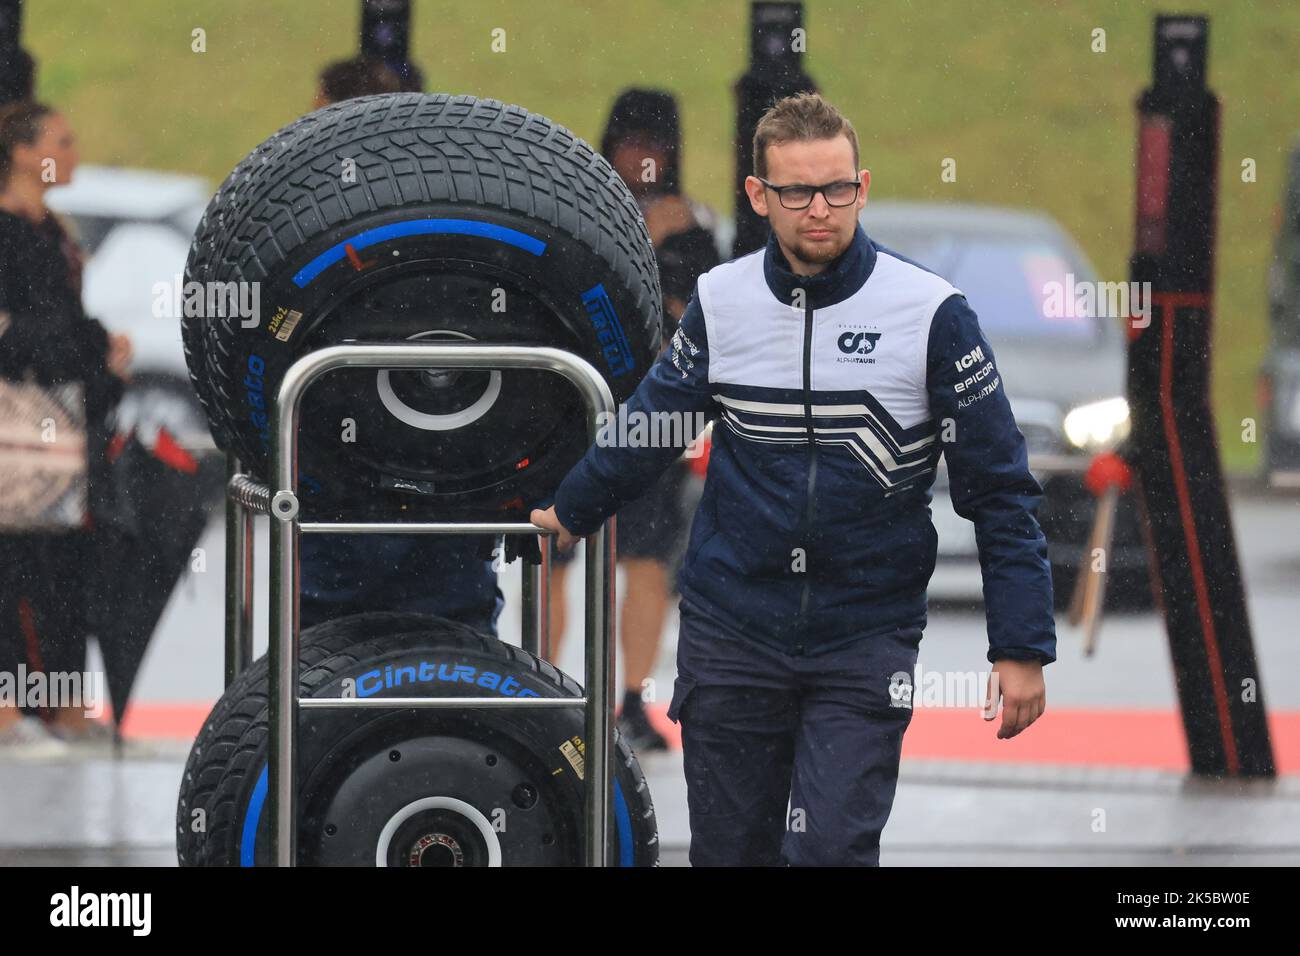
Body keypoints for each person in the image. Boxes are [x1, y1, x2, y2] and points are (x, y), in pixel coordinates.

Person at [532, 92, 1056, 866]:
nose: (821, 208)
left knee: (832, 849)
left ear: (863, 186)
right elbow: (653, 426)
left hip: (865, 636)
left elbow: (1001, 488)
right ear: (758, 196)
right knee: (731, 853)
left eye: (838, 188)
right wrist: (569, 510)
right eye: (798, 192)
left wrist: (1021, 646)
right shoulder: (723, 300)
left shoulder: (932, 313)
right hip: (731, 630)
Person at [298, 60, 503, 635]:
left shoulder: (309, 211)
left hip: (345, 469)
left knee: (325, 645)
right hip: (448, 464)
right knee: (454, 632)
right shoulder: (463, 197)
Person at [545, 89, 719, 752]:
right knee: (552, 552)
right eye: (631, 141)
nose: (641, 157)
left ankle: (631, 698)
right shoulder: (573, 210)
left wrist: (672, 243)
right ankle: (544, 689)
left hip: (654, 413)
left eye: (654, 143)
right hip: (572, 410)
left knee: (647, 562)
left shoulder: (691, 223)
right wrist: (641, 242)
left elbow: (694, 316)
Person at [0, 101, 132, 752]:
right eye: (62, 142)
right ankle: (7, 706)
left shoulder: (55, 229)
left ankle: (62, 704)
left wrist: (99, 361)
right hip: (15, 424)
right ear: (24, 154)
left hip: (64, 421)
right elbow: (19, 333)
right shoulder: (7, 234)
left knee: (64, 563)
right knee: (14, 560)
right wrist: (92, 342)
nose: (74, 154)